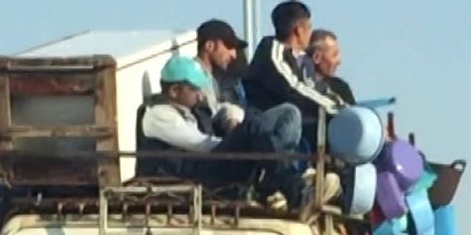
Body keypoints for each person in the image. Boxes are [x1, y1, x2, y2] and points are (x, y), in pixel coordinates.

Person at [138, 55, 340, 209]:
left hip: (211, 163)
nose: (200, 96)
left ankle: (274, 182)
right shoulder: (158, 115)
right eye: (195, 90)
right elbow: (201, 144)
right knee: (254, 127)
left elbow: (223, 109)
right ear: (174, 91)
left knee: (287, 113)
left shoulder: (191, 109)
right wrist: (241, 138)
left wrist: (233, 120)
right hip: (197, 172)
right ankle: (297, 193)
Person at [244, 0, 343, 121]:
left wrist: (346, 108)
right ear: (299, 30)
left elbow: (319, 89)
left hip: (299, 127)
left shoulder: (303, 60)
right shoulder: (272, 53)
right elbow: (293, 88)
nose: (310, 33)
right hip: (267, 125)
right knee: (292, 113)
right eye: (309, 28)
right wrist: (332, 107)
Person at [194, 19, 249, 131]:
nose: (233, 54)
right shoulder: (193, 74)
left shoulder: (210, 78)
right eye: (229, 46)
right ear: (209, 46)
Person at [307, 29, 356, 106]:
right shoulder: (296, 89)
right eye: (334, 55)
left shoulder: (341, 89)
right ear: (316, 57)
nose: (339, 61)